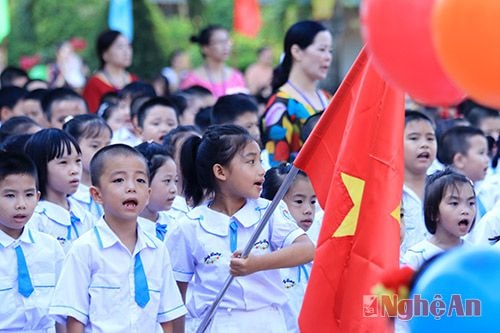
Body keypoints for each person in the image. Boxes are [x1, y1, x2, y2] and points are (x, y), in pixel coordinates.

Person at [168, 124, 315, 332]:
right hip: (218, 324)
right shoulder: (189, 226)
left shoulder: (269, 211)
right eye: (251, 162)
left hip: (270, 322)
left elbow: (307, 250)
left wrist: (257, 264)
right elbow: (176, 295)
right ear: (220, 171)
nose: (261, 170)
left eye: (260, 161)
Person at [49, 144, 187, 332]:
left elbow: (166, 316)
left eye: (140, 180)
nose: (131, 187)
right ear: (97, 194)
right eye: (119, 180)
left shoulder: (157, 249)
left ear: (148, 194)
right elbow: (75, 318)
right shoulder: (85, 248)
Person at [0, 151, 65, 332]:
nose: (21, 204)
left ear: (38, 197)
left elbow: (62, 308)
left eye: (28, 195)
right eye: (10, 196)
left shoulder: (50, 247)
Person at [261, 20, 332, 166]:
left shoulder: (328, 98)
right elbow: (276, 168)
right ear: (297, 52)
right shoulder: (280, 105)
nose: (328, 57)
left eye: (330, 51)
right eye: (322, 49)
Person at [261, 163, 318, 333]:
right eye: (299, 201)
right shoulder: (265, 256)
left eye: (313, 201)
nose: (308, 210)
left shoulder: (316, 249)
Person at [24, 129, 96, 252]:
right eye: (63, 162)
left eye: (78, 161)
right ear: (40, 166)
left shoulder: (84, 215)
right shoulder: (36, 218)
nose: (74, 170)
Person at [401, 169, 475, 270]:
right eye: (454, 203)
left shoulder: (474, 254)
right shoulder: (416, 258)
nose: (466, 211)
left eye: (471, 203)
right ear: (433, 212)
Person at [437, 126, 496, 242]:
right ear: (459, 160)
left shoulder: (487, 191)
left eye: (487, 153)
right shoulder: (441, 193)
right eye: (481, 153)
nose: (487, 159)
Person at [400, 111, 437, 257]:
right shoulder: (387, 192)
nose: (424, 145)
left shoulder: (442, 188)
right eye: (414, 138)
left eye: (430, 138)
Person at [64, 114, 112, 219]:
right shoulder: (68, 195)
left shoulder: (112, 187)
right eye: (95, 146)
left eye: (108, 145)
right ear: (72, 146)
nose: (104, 151)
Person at [180, 25, 247, 98]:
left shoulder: (236, 77)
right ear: (205, 48)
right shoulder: (191, 80)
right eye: (220, 42)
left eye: (227, 41)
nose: (226, 46)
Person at [82, 30, 138, 113]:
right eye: (120, 47)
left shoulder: (134, 80)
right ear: (105, 54)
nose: (127, 52)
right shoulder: (95, 84)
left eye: (128, 46)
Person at [211, 93, 270, 171]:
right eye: (249, 126)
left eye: (257, 125)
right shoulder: (219, 165)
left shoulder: (267, 159)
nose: (256, 132)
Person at [135, 142, 178, 242]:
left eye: (176, 181)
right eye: (167, 181)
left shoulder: (175, 225)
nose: (174, 189)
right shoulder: (128, 229)